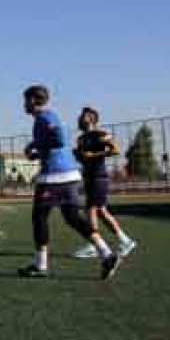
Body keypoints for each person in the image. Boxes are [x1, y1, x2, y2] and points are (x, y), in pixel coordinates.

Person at [17, 85, 120, 280]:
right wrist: (36, 151)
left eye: (25, 100)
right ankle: (106, 254)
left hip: (54, 176)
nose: (23, 105)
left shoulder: (45, 117)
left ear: (32, 100)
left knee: (39, 217)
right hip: (69, 174)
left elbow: (59, 137)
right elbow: (53, 143)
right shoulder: (47, 117)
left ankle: (40, 266)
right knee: (72, 217)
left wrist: (37, 146)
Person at [71, 107, 138, 259]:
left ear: (91, 118)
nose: (79, 119)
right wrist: (77, 155)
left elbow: (115, 150)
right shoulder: (80, 139)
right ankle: (125, 241)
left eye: (82, 116)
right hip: (88, 177)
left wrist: (94, 154)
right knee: (101, 211)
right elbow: (83, 158)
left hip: (98, 177)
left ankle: (94, 245)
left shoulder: (100, 135)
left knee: (91, 209)